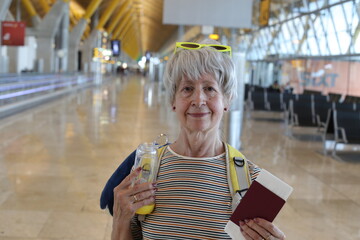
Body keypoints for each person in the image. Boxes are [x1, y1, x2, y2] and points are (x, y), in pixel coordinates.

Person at [102, 40, 286, 240]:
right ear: (173, 101)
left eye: (210, 89)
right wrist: (120, 220)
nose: (198, 100)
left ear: (227, 100)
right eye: (187, 89)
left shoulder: (251, 181)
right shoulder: (147, 171)